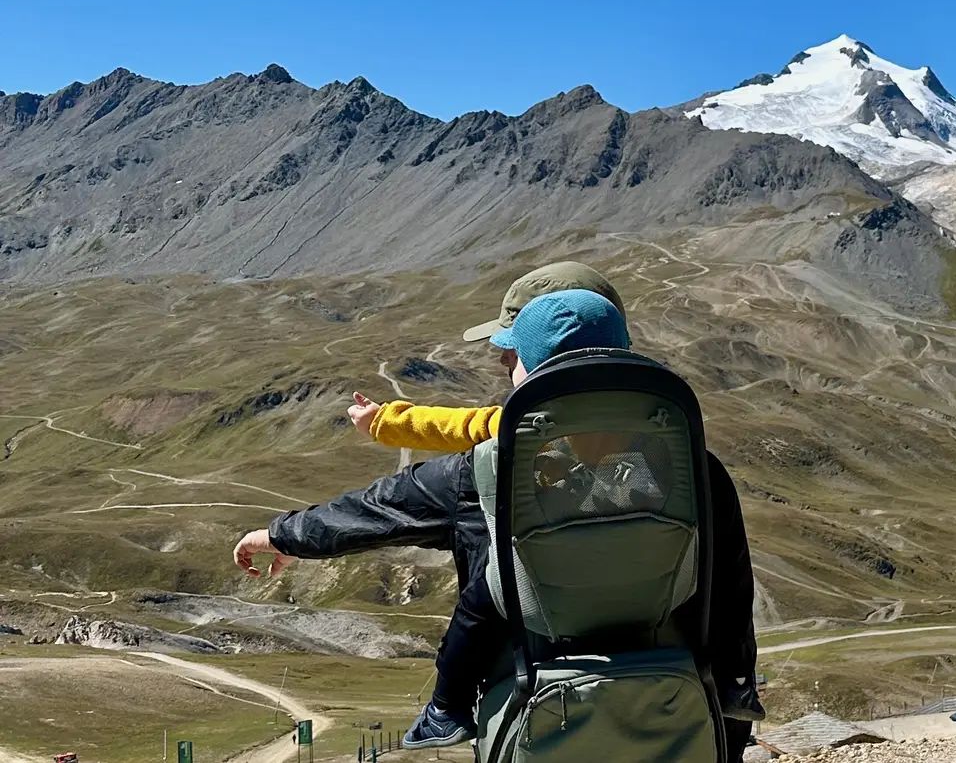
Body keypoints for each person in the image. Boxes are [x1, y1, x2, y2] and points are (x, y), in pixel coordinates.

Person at [233, 265, 759, 754]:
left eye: (511, 353)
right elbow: (733, 589)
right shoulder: (691, 468)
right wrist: (733, 715)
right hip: (681, 719)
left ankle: (445, 711)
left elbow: (377, 512)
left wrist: (280, 536)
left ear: (529, 365)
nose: (504, 360)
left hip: (538, 718)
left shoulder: (485, 471)